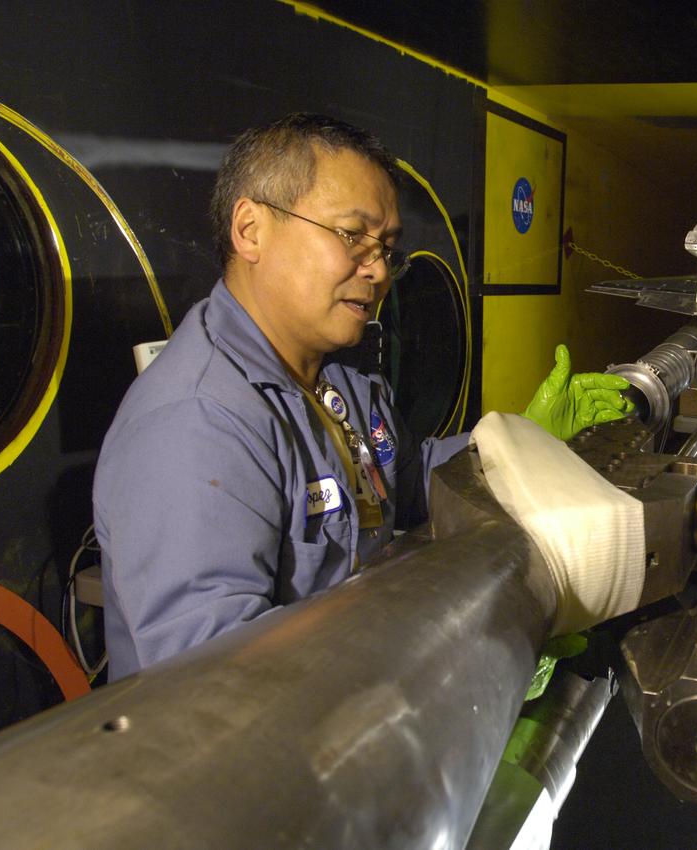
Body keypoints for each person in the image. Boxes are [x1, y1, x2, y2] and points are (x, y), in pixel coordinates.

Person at [93, 113, 632, 681]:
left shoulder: (338, 373)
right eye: (352, 236)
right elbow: (214, 687)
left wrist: (518, 443)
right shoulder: (198, 422)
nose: (377, 270)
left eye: (387, 247)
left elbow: (405, 479)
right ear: (251, 230)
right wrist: (458, 671)